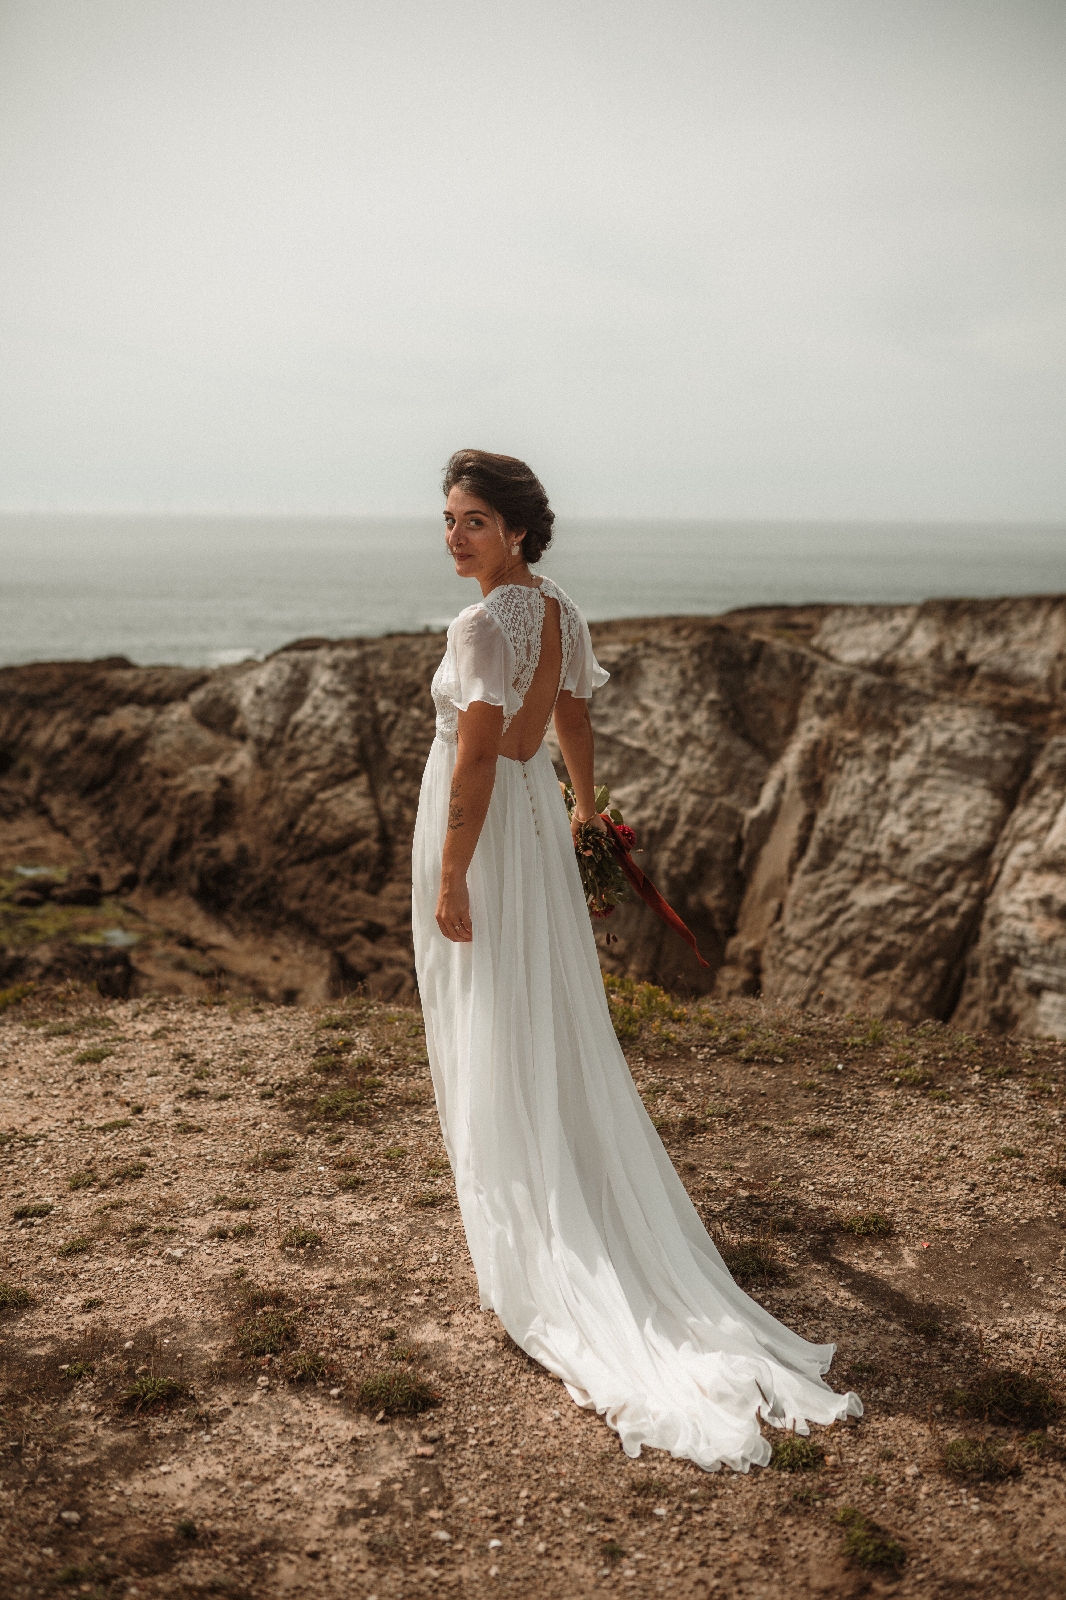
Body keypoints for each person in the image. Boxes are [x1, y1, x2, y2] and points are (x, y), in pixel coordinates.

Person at [412, 449, 861, 1471]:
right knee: (539, 1000)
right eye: (447, 518)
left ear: (518, 530)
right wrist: (578, 807)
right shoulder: (557, 608)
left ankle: (529, 1195)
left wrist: (449, 872)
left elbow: (477, 755)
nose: (453, 535)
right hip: (532, 820)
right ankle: (546, 1161)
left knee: (487, 994)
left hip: (483, 825)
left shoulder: (482, 625)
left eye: (473, 520)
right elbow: (571, 718)